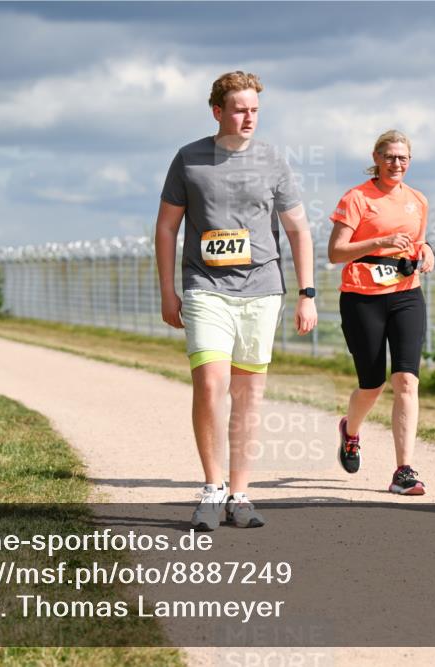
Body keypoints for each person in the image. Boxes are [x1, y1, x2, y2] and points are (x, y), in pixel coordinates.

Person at [155, 71, 317, 530]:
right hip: (205, 287)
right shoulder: (189, 159)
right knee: (210, 385)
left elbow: (298, 229)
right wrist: (168, 289)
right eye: (241, 109)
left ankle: (241, 494)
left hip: (262, 290)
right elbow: (167, 227)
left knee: (247, 395)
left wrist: (307, 293)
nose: (249, 118)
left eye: (255, 110)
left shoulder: (272, 160)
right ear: (218, 112)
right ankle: (212, 487)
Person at [328, 130, 435, 495]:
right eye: (390, 156)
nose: (397, 164)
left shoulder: (417, 200)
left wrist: (428, 252)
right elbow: (336, 251)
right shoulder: (357, 198)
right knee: (371, 385)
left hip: (406, 295)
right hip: (362, 297)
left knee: (406, 380)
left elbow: (416, 242)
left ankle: (404, 470)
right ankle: (351, 431)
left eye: (403, 157)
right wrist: (380, 242)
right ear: (376, 157)